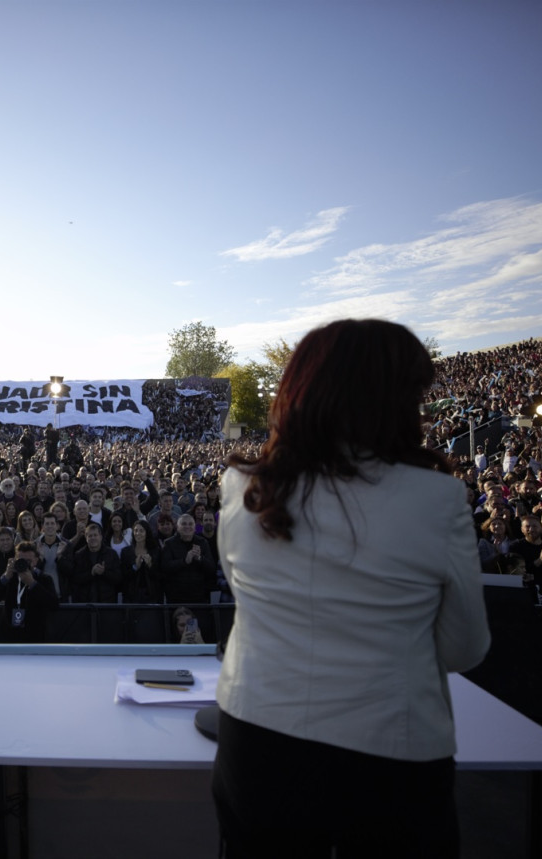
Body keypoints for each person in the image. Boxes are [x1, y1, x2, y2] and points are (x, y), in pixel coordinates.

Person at [212, 319, 491, 858]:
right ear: (396, 401)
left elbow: (247, 600)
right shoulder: (437, 498)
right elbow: (464, 648)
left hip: (257, 737)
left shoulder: (244, 485)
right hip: (391, 751)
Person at [0, 540, 59, 643]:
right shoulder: (10, 578)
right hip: (8, 636)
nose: (25, 564)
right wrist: (5, 577)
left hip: (34, 637)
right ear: (15, 559)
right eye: (21, 560)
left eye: (28, 561)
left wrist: (32, 583)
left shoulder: (44, 579)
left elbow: (54, 604)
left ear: (36, 560)